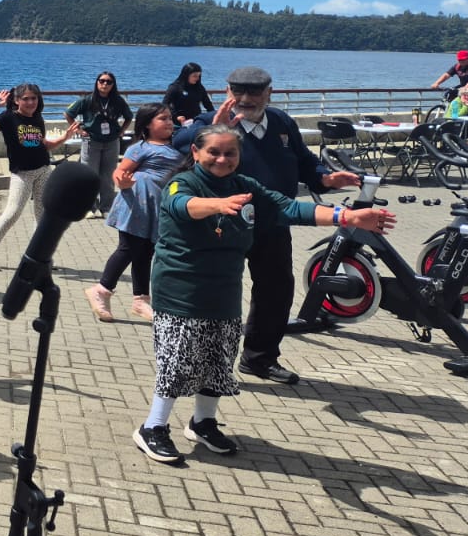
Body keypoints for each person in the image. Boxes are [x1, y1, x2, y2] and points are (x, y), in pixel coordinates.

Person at [133, 124, 395, 463]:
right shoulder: (181, 183)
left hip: (224, 290)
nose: (222, 159)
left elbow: (288, 208)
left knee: (218, 358)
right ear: (196, 153)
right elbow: (185, 206)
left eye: (230, 153)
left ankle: (203, 422)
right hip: (181, 290)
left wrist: (346, 216)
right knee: (178, 360)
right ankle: (152, 427)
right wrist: (217, 205)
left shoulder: (246, 186)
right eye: (214, 152)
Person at [172, 66, 361, 384]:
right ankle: (198, 362)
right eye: (238, 92)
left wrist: (326, 179)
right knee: (212, 292)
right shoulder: (212, 122)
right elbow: (179, 142)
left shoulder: (282, 124)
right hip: (224, 222)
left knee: (276, 291)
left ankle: (259, 358)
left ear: (269, 93)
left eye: (254, 92)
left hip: (272, 221)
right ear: (227, 92)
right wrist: (215, 127)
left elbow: (303, 161)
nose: (245, 99)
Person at [85, 102, 177, 323]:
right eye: (162, 119)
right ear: (147, 125)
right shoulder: (141, 147)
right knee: (128, 249)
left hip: (157, 207)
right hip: (136, 203)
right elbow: (120, 171)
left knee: (146, 252)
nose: (169, 122)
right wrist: (122, 182)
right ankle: (101, 289)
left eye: (170, 118)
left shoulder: (176, 146)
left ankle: (141, 300)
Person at [0, 84, 77, 272]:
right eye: (26, 98)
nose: (31, 102)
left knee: (43, 215)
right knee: (13, 212)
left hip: (43, 170)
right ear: (16, 100)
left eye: (34, 98)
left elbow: (43, 145)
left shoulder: (38, 118)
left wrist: (65, 137)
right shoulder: (8, 118)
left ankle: (38, 256)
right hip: (22, 173)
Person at [65, 71, 132, 217]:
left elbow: (129, 116)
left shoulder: (118, 101)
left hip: (111, 141)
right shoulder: (88, 100)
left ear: (113, 85)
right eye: (102, 81)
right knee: (90, 174)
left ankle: (106, 207)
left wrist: (122, 131)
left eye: (109, 82)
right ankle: (89, 207)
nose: (104, 84)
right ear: (97, 82)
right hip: (91, 141)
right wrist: (80, 130)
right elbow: (68, 113)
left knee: (108, 175)